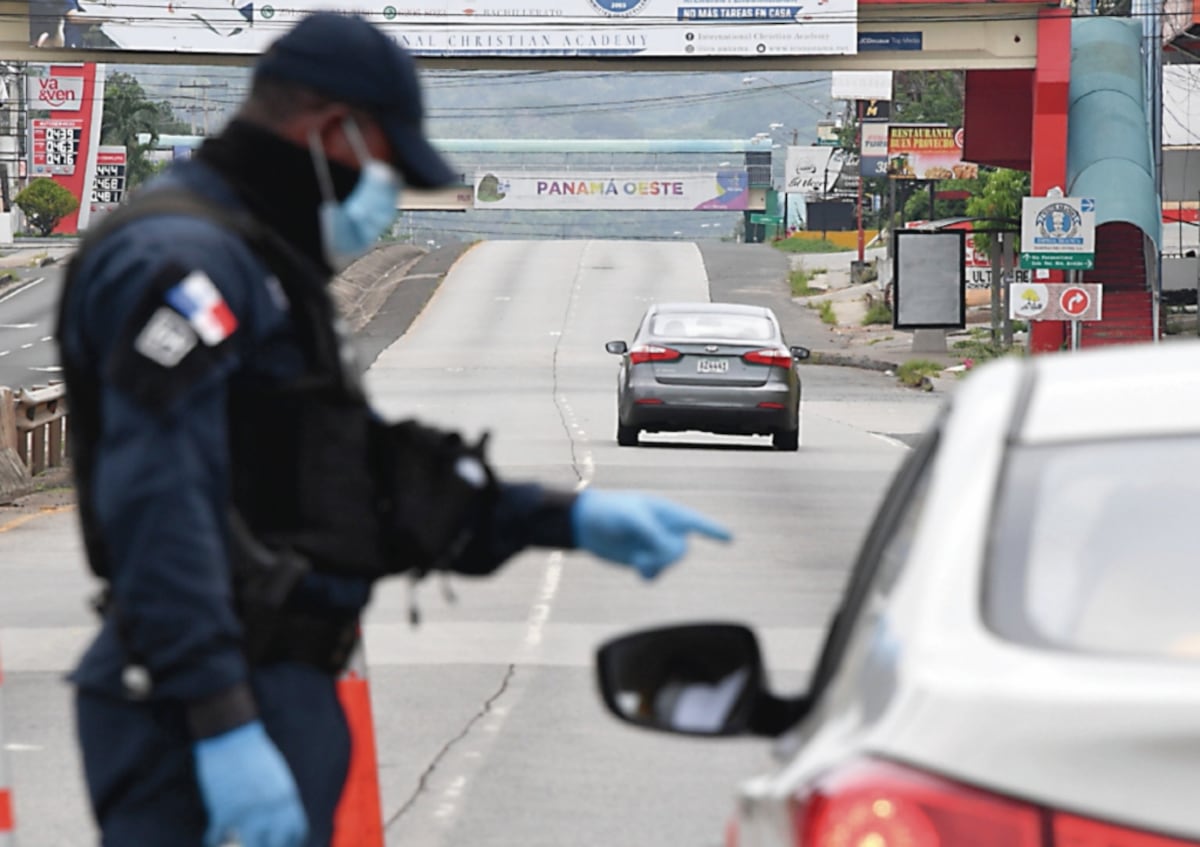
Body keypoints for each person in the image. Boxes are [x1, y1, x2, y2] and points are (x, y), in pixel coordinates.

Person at [56, 13, 731, 847]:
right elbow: (157, 501)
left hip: (272, 685)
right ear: (329, 131)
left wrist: (561, 518)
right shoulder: (182, 263)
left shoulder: (262, 262)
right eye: (384, 164)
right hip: (198, 709)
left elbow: (350, 478)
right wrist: (221, 717)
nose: (386, 196)